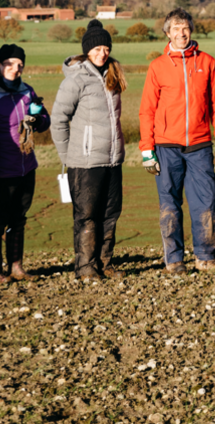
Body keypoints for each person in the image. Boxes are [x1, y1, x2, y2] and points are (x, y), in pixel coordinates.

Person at [140, 9, 215, 273]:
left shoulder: (208, 63)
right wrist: (147, 149)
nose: (181, 34)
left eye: (186, 29)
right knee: (169, 204)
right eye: (176, 29)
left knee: (206, 201)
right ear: (167, 33)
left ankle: (205, 257)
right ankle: (175, 260)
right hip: (166, 146)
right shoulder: (157, 66)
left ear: (191, 31)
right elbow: (146, 109)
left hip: (200, 146)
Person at [52, 20, 128, 279]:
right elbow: (58, 119)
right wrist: (68, 157)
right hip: (84, 164)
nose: (102, 53)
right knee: (87, 217)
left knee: (110, 214)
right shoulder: (76, 80)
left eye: (106, 48)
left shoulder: (113, 75)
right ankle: (85, 267)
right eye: (96, 48)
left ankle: (105, 264)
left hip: (112, 160)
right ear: (87, 50)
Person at [0, 43, 51, 285]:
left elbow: (44, 121)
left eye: (20, 64)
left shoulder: (27, 91)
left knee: (18, 219)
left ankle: (17, 267)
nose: (15, 68)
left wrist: (37, 117)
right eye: (10, 63)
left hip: (25, 167)